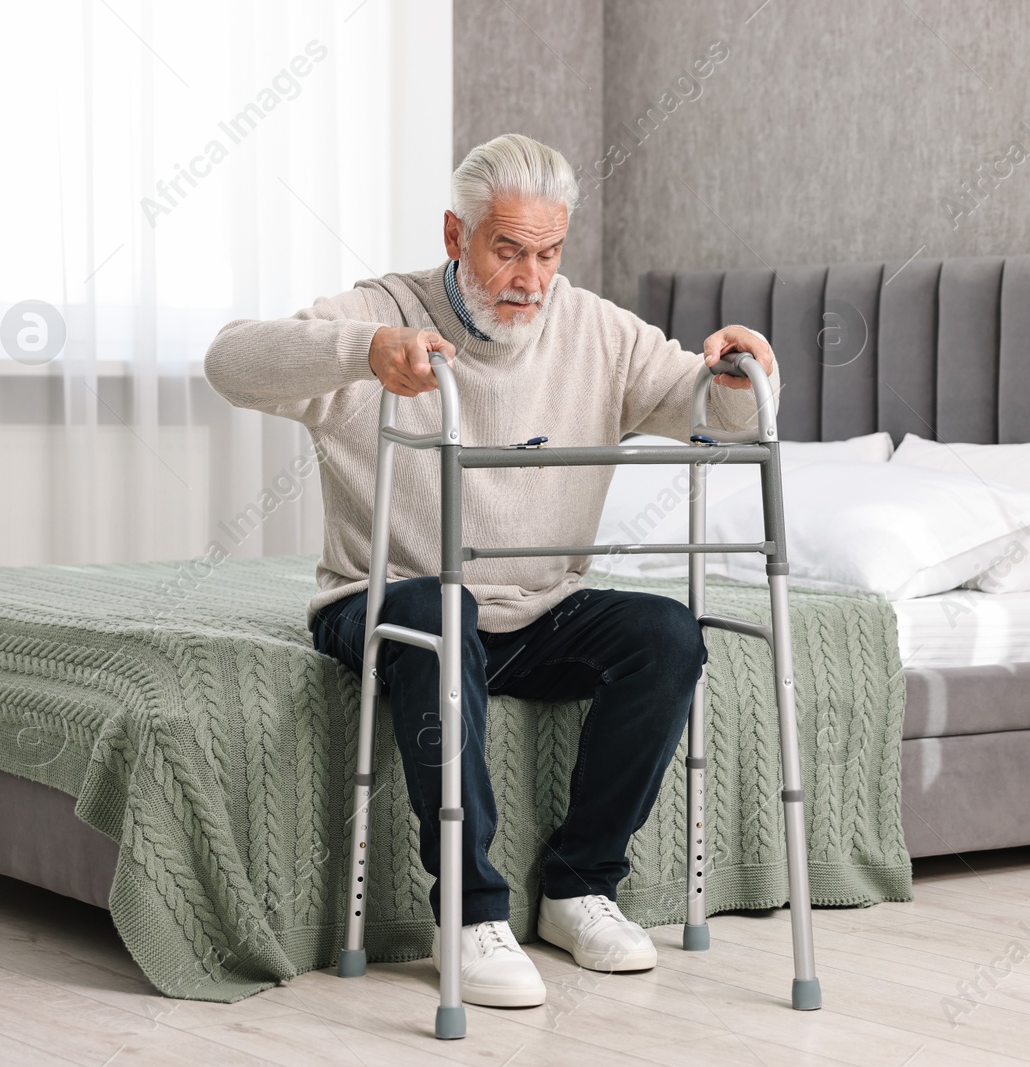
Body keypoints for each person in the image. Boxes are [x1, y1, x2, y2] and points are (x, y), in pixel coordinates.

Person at [205, 133, 779, 1008]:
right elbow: (230, 361)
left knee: (665, 634)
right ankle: (471, 913)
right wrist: (362, 352)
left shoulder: (596, 331)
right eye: (507, 249)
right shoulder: (384, 312)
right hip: (385, 601)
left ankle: (579, 886)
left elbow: (723, 420)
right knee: (444, 611)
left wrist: (746, 369)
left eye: (547, 253)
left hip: (538, 609)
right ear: (454, 235)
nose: (530, 277)